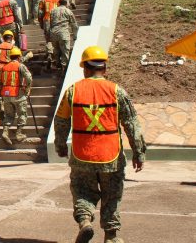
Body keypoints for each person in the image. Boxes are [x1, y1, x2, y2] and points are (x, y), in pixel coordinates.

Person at [54, 46, 146, 243]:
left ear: (85, 68)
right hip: (110, 157)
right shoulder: (117, 91)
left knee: (82, 191)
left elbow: (61, 121)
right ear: (104, 67)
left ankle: (85, 221)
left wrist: (60, 145)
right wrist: (139, 152)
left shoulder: (72, 91)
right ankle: (111, 237)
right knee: (112, 195)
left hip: (82, 156)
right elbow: (131, 123)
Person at [0, 48, 32, 145]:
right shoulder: (20, 66)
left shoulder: (4, 67)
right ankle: (19, 134)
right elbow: (29, 78)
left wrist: (0, 95)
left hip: (6, 94)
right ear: (19, 56)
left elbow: (0, 83)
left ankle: (5, 132)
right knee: (22, 114)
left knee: (9, 115)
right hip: (18, 94)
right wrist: (27, 89)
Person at [48, 0, 78, 73]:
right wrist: (75, 35)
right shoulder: (68, 11)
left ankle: (57, 64)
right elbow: (74, 25)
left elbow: (50, 23)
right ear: (66, 3)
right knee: (65, 51)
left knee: (56, 50)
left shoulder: (53, 11)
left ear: (59, 3)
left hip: (53, 33)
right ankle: (64, 67)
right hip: (63, 33)